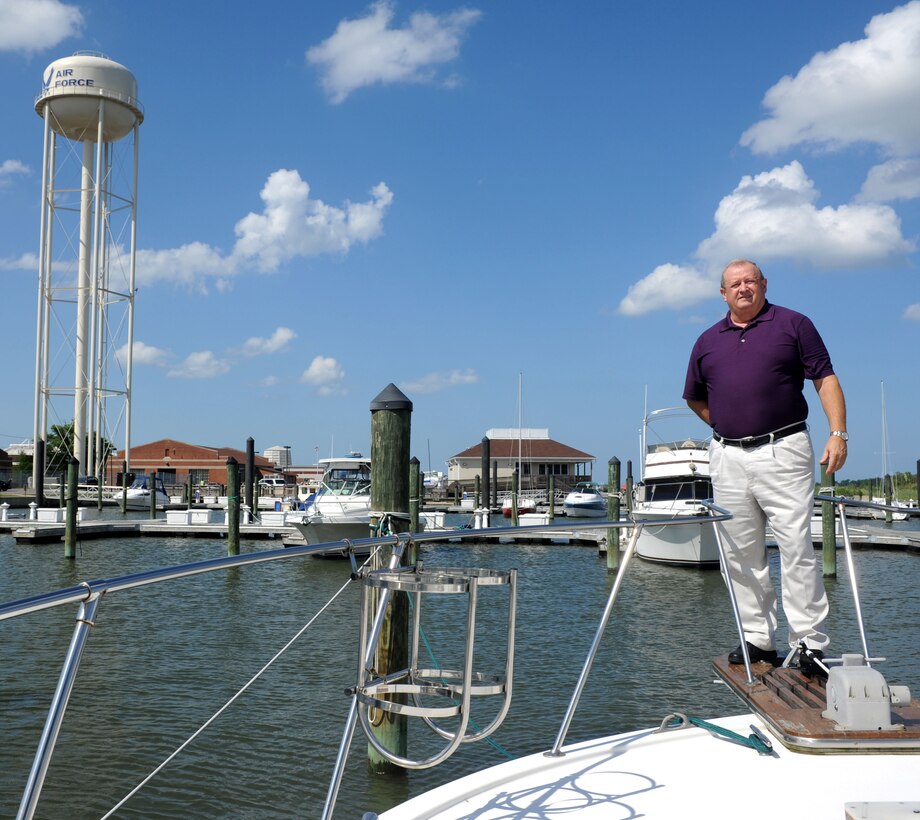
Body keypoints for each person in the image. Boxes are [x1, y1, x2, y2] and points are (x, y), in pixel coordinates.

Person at [683, 259, 847, 668]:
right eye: (735, 284)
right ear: (723, 293)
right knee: (740, 553)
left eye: (750, 281)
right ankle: (757, 638)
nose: (743, 288)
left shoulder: (794, 324)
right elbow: (695, 397)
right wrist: (726, 425)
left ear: (763, 285)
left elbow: (825, 378)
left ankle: (810, 643)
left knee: (796, 547)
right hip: (727, 455)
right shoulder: (706, 340)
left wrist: (838, 432)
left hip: (784, 449)